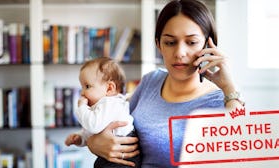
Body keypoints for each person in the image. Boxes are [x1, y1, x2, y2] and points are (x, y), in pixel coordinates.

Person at [86, 0, 244, 167]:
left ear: (208, 44)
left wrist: (229, 87)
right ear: (158, 45)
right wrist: (93, 142)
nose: (179, 53)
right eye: (170, 42)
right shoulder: (151, 81)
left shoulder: (224, 100)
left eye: (191, 42)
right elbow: (112, 121)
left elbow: (243, 152)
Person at [64, 57, 141, 168]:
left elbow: (93, 126)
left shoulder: (111, 103)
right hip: (113, 156)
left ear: (109, 88)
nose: (82, 93)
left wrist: (81, 107)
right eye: (82, 87)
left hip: (123, 157)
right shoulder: (102, 107)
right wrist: (80, 138)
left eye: (87, 86)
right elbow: (95, 133)